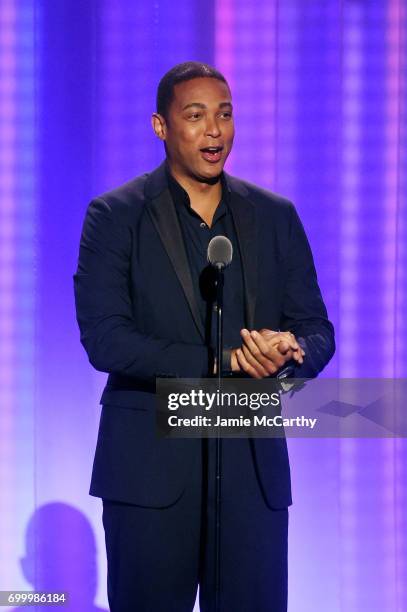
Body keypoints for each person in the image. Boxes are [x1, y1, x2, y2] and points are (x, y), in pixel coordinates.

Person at [74, 61, 335, 612]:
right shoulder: (116, 216)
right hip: (151, 476)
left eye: (224, 114)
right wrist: (222, 362)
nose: (214, 130)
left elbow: (317, 329)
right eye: (195, 115)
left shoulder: (275, 216)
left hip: (250, 477)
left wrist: (290, 352)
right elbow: (105, 339)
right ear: (161, 126)